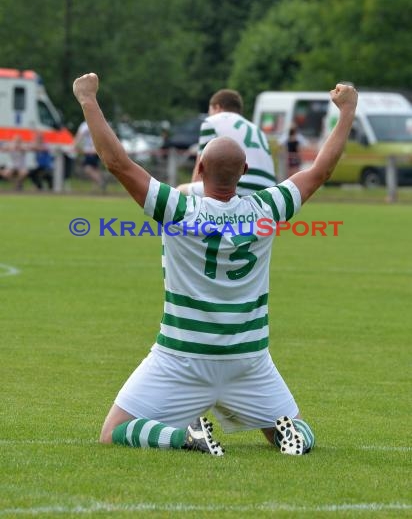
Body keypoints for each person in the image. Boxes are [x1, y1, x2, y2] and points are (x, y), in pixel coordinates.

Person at [73, 73, 357, 457]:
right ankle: (295, 437)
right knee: (290, 430)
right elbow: (320, 171)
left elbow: (117, 163)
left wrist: (88, 100)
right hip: (248, 361)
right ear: (243, 173)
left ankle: (185, 437)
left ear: (200, 169)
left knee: (114, 432)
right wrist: (347, 111)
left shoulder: (178, 208)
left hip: (182, 357)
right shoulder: (267, 208)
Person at [177, 89, 276, 197]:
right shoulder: (257, 129)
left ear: (217, 107)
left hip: (242, 185)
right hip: (268, 190)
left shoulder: (212, 122)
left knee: (181, 191)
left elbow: (200, 169)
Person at [74, 120, 105, 190]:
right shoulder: (98, 123)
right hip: (95, 150)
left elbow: (79, 136)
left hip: (91, 151)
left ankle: (101, 182)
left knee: (88, 168)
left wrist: (74, 146)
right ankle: (97, 187)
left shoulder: (85, 125)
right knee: (95, 168)